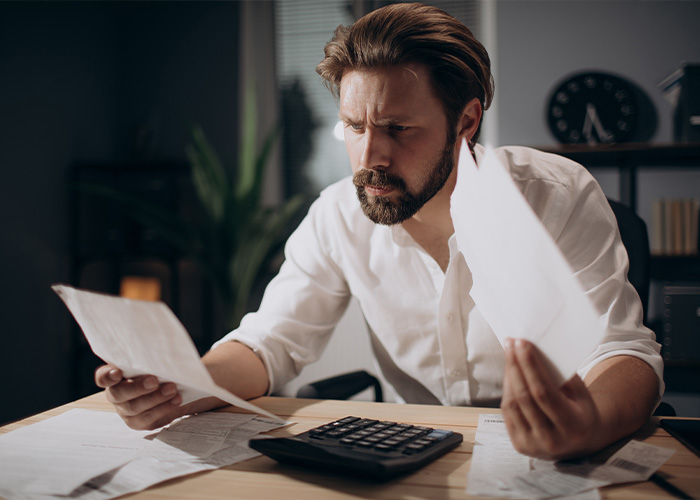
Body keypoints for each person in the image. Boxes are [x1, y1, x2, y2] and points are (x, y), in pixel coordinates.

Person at [95, 3, 662, 460]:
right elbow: (271, 343)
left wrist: (587, 421)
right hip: (413, 459)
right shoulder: (338, 213)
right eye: (354, 126)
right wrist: (179, 387)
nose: (370, 156)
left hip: (560, 462)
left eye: (398, 129)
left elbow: (623, 350)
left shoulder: (554, 194)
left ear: (466, 121)